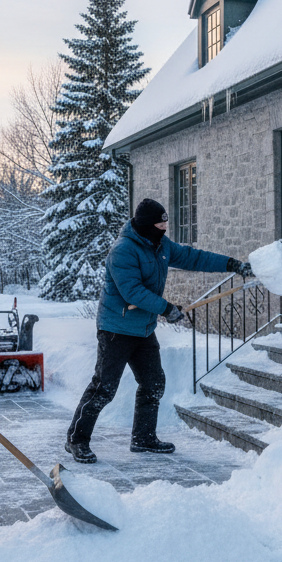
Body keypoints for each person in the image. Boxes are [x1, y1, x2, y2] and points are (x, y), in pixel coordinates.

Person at [65, 198, 253, 463]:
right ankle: (76, 439)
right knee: (104, 388)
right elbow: (132, 291)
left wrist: (232, 264)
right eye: (160, 223)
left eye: (166, 222)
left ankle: (143, 438)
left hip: (142, 329)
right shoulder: (123, 251)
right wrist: (166, 308)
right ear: (146, 226)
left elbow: (193, 257)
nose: (165, 227)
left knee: (153, 383)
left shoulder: (161, 245)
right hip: (116, 329)